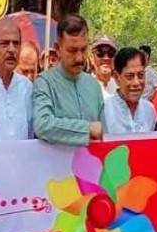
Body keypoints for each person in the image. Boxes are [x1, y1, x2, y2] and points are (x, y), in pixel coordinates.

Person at [33, 15, 104, 146]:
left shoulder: (93, 85)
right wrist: (87, 129)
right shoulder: (44, 83)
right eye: (72, 50)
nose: (79, 58)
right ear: (58, 49)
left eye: (83, 50)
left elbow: (102, 132)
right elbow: (42, 125)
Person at [103, 48, 156, 135]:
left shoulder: (149, 109)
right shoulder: (104, 110)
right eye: (129, 76)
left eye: (140, 75)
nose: (136, 82)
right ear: (117, 77)